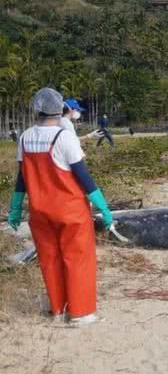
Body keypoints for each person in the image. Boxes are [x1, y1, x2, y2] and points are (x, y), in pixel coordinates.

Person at [7, 88, 114, 326]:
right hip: (70, 211)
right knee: (78, 259)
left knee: (50, 259)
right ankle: (81, 313)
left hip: (40, 212)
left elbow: (22, 178)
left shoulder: (24, 137)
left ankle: (58, 309)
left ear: (37, 109)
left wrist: (15, 208)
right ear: (60, 109)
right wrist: (104, 209)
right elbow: (84, 178)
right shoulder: (63, 137)